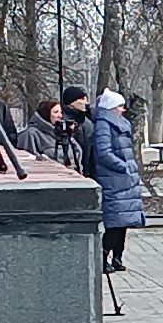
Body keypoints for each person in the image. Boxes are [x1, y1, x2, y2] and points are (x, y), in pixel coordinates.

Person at [92, 89, 145, 273]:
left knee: (123, 221)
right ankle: (104, 257)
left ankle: (117, 257)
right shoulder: (104, 124)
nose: (123, 109)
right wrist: (123, 166)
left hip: (124, 179)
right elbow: (104, 152)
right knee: (114, 222)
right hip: (114, 179)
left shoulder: (119, 123)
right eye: (120, 106)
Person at [15, 100, 69, 165]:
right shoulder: (31, 134)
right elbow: (29, 161)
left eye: (61, 112)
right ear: (46, 114)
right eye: (56, 112)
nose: (60, 115)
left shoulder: (64, 134)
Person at [61, 86, 95, 176]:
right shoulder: (62, 122)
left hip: (87, 170)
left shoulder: (87, 122)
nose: (85, 102)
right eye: (81, 98)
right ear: (72, 102)